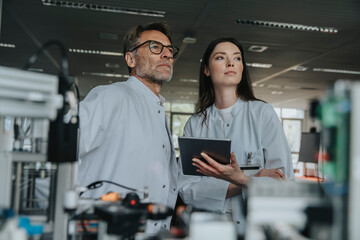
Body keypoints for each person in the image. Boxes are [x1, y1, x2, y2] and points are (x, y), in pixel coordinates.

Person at [178, 37, 294, 235]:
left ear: (242, 68)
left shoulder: (262, 113)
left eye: (237, 58)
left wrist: (240, 178)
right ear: (206, 69)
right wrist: (247, 181)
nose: (231, 63)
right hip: (209, 230)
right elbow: (187, 191)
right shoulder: (195, 124)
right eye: (221, 57)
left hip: (255, 229)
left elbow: (282, 181)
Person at [77, 22, 180, 233]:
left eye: (169, 50)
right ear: (130, 59)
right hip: (107, 230)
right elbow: (64, 147)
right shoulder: (111, 96)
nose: (167, 55)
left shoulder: (158, 108)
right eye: (155, 47)